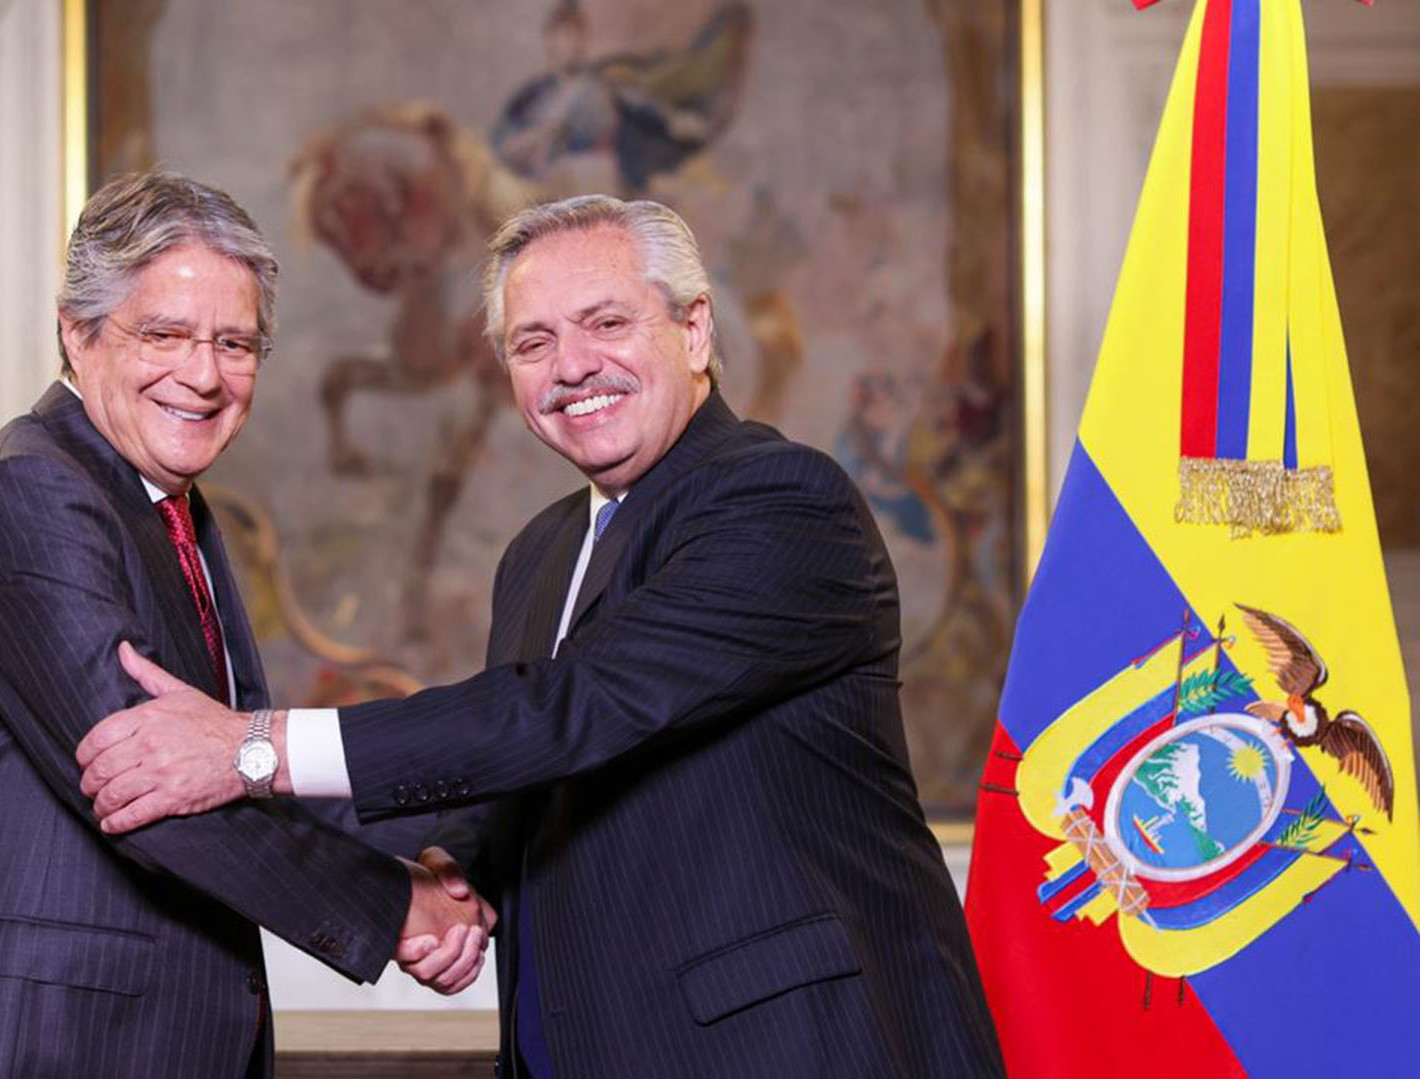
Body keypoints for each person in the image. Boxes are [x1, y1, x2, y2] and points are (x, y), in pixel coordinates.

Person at [77, 194, 1005, 1077]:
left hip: (789, 1049)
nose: (571, 367)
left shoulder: (781, 502)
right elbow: (526, 765)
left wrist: (251, 748)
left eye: (606, 323)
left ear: (695, 331)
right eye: (533, 341)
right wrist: (448, 869)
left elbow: (576, 708)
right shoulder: (541, 550)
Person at [0, 170, 490, 1079]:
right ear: (76, 336)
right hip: (33, 1048)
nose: (202, 376)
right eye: (164, 334)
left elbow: (233, 770)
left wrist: (443, 853)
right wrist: (398, 905)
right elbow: (148, 792)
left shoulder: (172, 510)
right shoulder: (31, 488)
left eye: (234, 344)